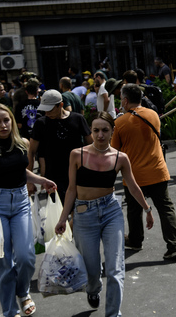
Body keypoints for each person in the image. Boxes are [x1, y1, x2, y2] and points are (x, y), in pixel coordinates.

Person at [55, 111, 154, 316]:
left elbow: (133, 187)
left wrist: (147, 209)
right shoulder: (77, 154)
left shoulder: (120, 158)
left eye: (105, 130)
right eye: (96, 130)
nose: (100, 135)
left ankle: (112, 314)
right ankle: (93, 289)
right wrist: (64, 218)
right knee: (92, 269)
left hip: (111, 211)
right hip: (84, 214)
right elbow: (71, 189)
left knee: (116, 269)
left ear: (112, 131)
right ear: (91, 131)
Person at [0, 104, 57, 317]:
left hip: (21, 202)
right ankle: (10, 311)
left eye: (6, 120)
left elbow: (23, 173)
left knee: (26, 256)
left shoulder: (23, 143)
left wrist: (42, 180)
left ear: (12, 121)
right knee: (4, 262)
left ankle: (23, 291)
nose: (3, 125)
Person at [111, 84, 176, 258]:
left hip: (133, 175)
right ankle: (173, 246)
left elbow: (114, 150)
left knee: (134, 210)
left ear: (125, 101)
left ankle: (135, 241)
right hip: (157, 170)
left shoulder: (120, 122)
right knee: (165, 208)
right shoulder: (153, 115)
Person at [29, 89, 92, 203]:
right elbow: (31, 151)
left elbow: (92, 145)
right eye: (44, 110)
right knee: (59, 212)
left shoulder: (77, 119)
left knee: (78, 210)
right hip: (53, 177)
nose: (46, 113)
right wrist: (29, 181)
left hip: (78, 173)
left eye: (50, 110)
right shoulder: (41, 123)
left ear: (61, 105)